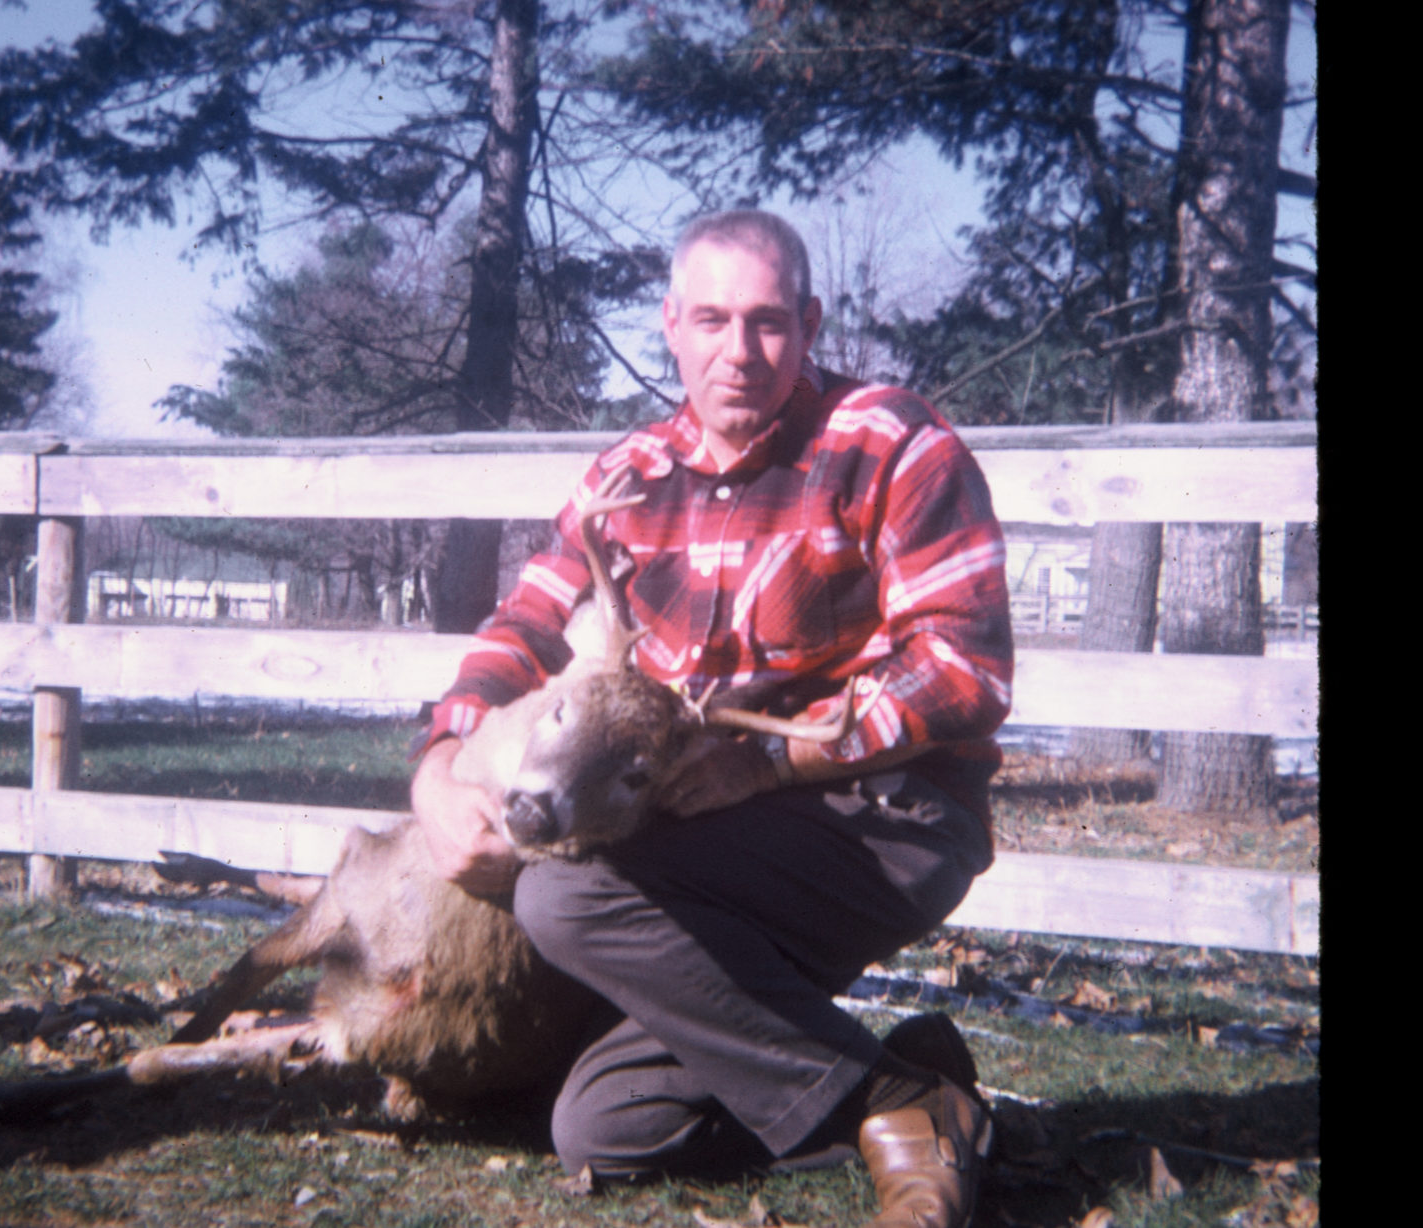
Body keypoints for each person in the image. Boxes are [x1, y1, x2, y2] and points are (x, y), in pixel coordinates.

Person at [411, 210, 1013, 1228]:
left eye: (769, 322)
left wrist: (770, 766)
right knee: (607, 1129)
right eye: (713, 320)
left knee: (565, 897)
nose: (741, 352)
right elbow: (525, 627)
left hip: (883, 816)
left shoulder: (891, 444)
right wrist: (436, 767)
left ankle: (894, 1105)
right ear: (671, 324)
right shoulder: (627, 478)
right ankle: (910, 1078)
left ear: (809, 325)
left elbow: (967, 670)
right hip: (707, 835)